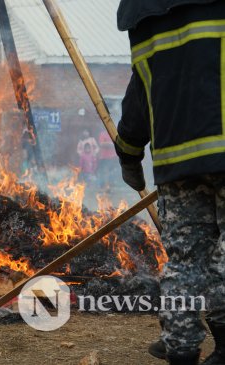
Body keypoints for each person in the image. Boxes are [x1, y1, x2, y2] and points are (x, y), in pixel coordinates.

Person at [115, 1, 225, 364]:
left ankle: (180, 346)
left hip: (176, 159)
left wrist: (128, 151)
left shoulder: (145, 15)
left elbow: (140, 91)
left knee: (184, 260)